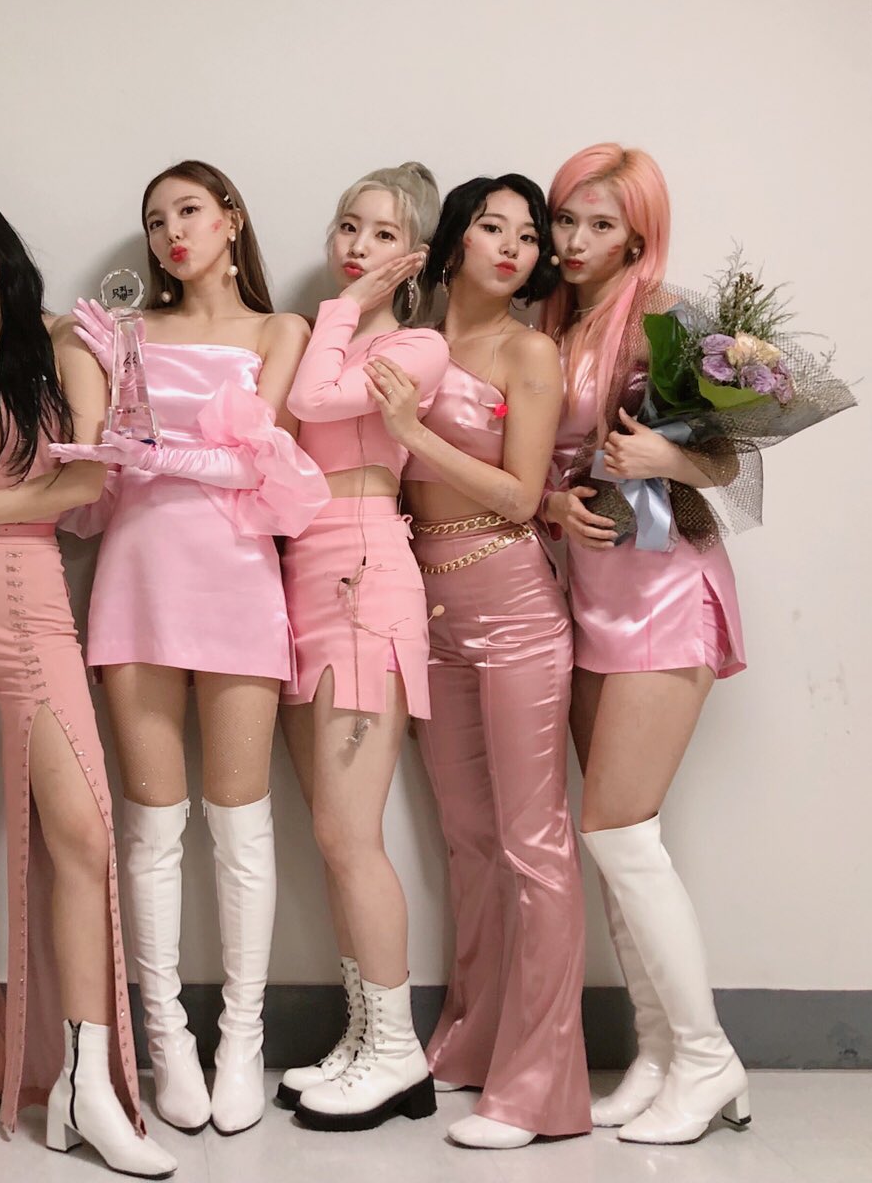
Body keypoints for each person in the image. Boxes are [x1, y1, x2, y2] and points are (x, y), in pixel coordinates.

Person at [0, 184, 174, 1178]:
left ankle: (84, 1082)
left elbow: (88, 478)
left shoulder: (64, 341)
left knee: (81, 831)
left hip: (25, 594)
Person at [53, 160, 326, 1136]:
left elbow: (265, 459)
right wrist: (95, 378)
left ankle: (241, 1038)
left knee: (242, 824)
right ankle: (166, 1040)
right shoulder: (124, 332)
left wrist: (159, 454)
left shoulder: (280, 331)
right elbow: (96, 463)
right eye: (156, 218)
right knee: (152, 827)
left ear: (231, 219)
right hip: (138, 578)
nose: (173, 231)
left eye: (191, 211)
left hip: (240, 578)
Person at [370, 174, 591, 1149]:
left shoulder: (527, 349)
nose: (513, 246)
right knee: (467, 839)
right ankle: (472, 1041)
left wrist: (411, 431)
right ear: (454, 239)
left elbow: (519, 493)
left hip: (513, 608)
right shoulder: (410, 343)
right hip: (428, 607)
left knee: (533, 843)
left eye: (529, 235)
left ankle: (540, 1091)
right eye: (492, 227)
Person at [541, 143, 750, 1145]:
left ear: (637, 233)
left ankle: (707, 1059)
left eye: (601, 224)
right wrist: (555, 504)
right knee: (615, 839)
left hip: (666, 592)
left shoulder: (668, 317)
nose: (576, 241)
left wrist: (662, 453)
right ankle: (660, 1053)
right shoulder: (556, 324)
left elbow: (726, 461)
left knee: (619, 833)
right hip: (591, 596)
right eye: (566, 220)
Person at [276, 164, 448, 1132]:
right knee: (328, 834)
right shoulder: (330, 335)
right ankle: (362, 1035)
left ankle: (396, 1051)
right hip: (303, 577)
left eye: (384, 234)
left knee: (352, 835)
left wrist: (343, 309)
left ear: (413, 257)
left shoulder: (416, 347)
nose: (359, 246)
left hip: (365, 575)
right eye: (349, 226)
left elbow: (314, 399)